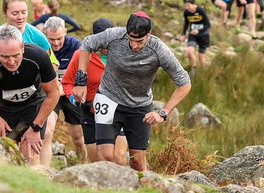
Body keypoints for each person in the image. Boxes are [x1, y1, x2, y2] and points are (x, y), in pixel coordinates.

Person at [72, 13, 191, 172]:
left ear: (149, 35)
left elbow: (184, 83)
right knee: (105, 156)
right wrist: (81, 80)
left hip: (139, 106)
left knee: (137, 162)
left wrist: (163, 113)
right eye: (131, 40)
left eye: (140, 41)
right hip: (108, 99)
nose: (134, 46)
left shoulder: (158, 49)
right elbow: (87, 44)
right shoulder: (113, 35)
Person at [0, 24, 61, 165]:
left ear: (23, 48)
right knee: (6, 159)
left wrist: (35, 128)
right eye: (5, 57)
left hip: (32, 106)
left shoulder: (38, 56)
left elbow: (54, 93)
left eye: (16, 55)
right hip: (3, 110)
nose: (12, 62)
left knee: (31, 158)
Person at [62, 18, 124, 164]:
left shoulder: (123, 53)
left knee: (118, 157)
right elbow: (67, 82)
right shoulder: (81, 55)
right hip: (91, 113)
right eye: (101, 41)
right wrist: (74, 98)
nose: (105, 46)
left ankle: (122, 185)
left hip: (119, 112)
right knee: (97, 160)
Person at [43, 16, 86, 164]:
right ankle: (44, 171)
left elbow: (83, 72)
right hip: (51, 95)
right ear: (45, 35)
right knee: (47, 133)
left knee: (79, 138)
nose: (55, 43)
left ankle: (82, 166)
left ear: (66, 32)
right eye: (51, 39)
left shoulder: (76, 46)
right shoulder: (41, 45)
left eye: (59, 38)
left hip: (70, 94)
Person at [181, 0, 211, 69]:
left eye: (188, 5)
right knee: (189, 52)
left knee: (201, 59)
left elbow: (208, 25)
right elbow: (186, 23)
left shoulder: (200, 10)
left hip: (203, 35)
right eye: (185, 5)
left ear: (193, 4)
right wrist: (183, 34)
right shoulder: (186, 12)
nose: (187, 7)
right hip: (192, 35)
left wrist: (198, 31)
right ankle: (193, 70)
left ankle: (204, 73)